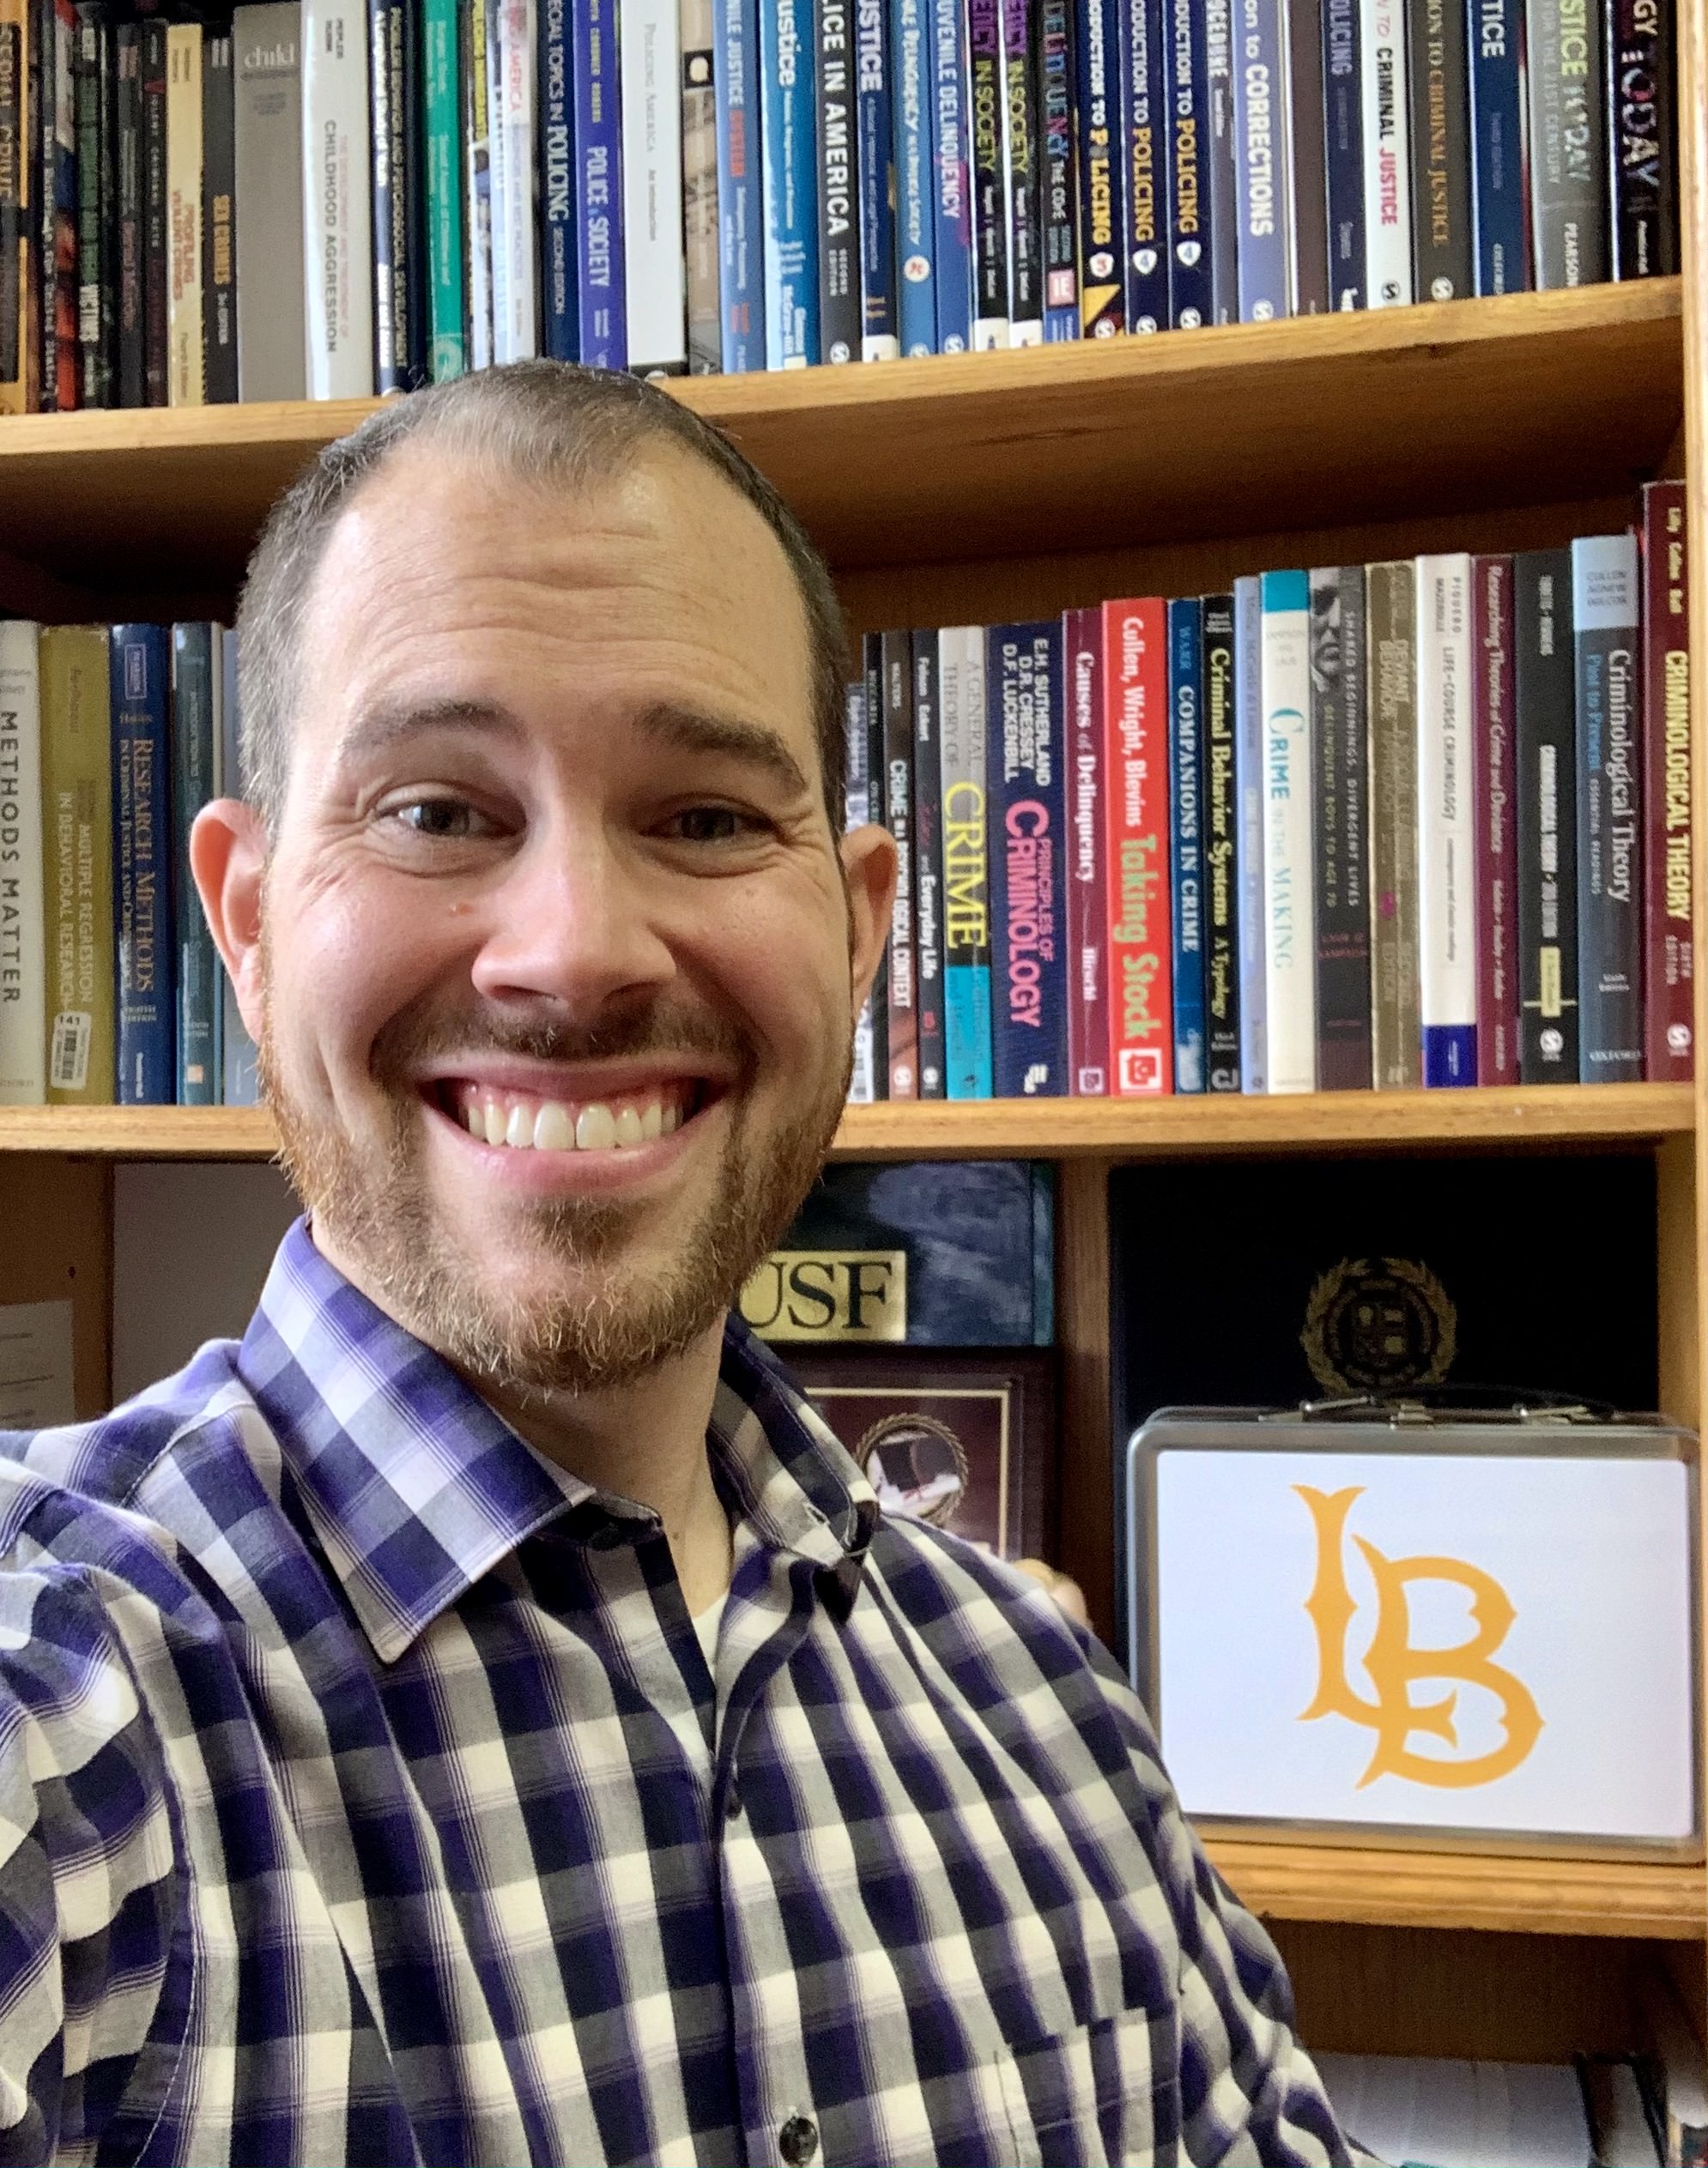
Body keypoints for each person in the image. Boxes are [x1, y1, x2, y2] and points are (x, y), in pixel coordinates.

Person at [0, 365, 1377, 2168]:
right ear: (249, 925)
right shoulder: (70, 1706)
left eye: (709, 817)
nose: (571, 955)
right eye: (433, 810)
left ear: (860, 925)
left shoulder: (1047, 1708)